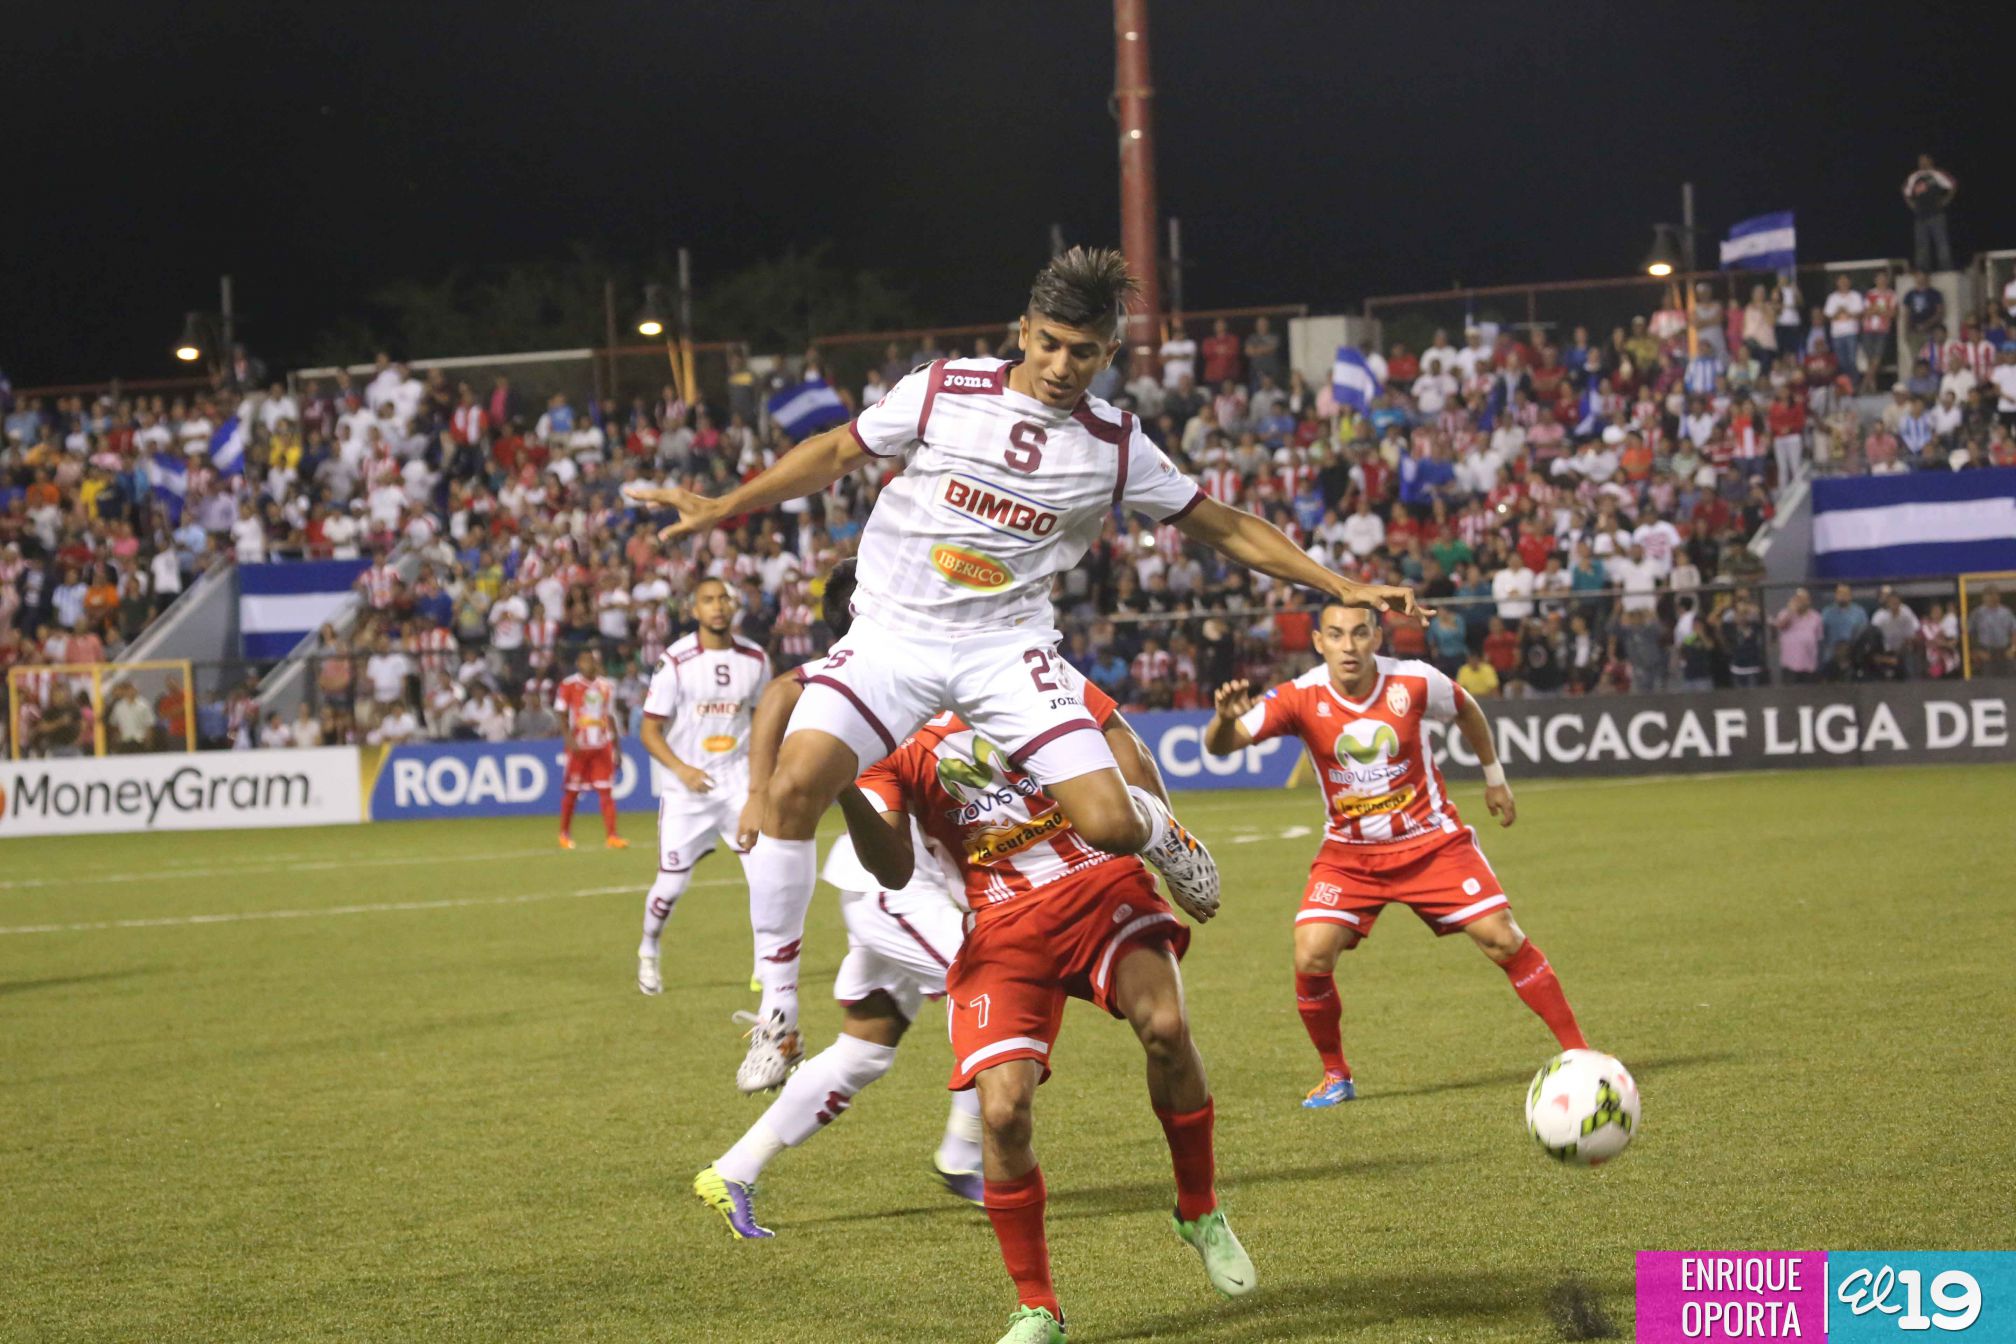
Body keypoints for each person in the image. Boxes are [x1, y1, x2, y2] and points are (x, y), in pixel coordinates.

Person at [625, 248, 1416, 1091]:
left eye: (1084, 351)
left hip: (1006, 648)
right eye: (1049, 344)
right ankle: (779, 1016)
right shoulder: (943, 391)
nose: (1061, 366)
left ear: (1110, 354)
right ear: (1023, 333)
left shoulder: (1115, 445)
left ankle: (1164, 834)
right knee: (791, 789)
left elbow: (1219, 525)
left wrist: (1336, 582)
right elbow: (833, 452)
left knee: (1110, 824)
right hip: (894, 636)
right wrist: (722, 505)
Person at [828, 679, 1248, 1344]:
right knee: (1001, 1112)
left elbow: (1120, 737)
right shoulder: (887, 736)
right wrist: (845, 785)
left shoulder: (1017, 661)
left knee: (1166, 1028)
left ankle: (1198, 1210)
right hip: (999, 923)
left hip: (1095, 876)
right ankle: (1038, 1307)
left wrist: (1170, 841)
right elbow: (894, 869)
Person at [1202, 602, 1588, 1109]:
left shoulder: (1415, 681)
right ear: (1319, 643)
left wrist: (1495, 779)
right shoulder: (1300, 696)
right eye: (1337, 635)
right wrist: (1222, 721)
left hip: (1430, 843)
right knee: (1310, 953)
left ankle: (1581, 1056)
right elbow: (1221, 746)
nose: (1349, 646)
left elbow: (1468, 708)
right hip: (1351, 854)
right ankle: (1336, 1074)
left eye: (1360, 634)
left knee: (1502, 939)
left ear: (1377, 638)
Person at [633, 577, 770, 998]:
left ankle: (766, 966)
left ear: (734, 606)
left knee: (766, 877)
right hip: (686, 789)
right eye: (708, 600)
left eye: (724, 599)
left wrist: (760, 785)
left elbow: (765, 722)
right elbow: (650, 730)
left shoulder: (756, 658)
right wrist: (682, 769)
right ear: (694, 610)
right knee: (671, 886)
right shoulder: (675, 661)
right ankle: (648, 949)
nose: (717, 607)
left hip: (737, 785)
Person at [554, 648, 627, 850]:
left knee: (606, 791)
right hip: (579, 746)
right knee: (571, 792)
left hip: (602, 746)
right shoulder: (569, 685)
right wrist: (568, 739)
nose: (590, 664)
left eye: (593, 661)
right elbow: (560, 712)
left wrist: (617, 748)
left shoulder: (607, 686)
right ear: (578, 663)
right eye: (585, 661)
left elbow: (610, 716)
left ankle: (612, 836)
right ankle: (564, 834)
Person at [1901, 154, 1957, 272]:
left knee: (1941, 243)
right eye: (1920, 161)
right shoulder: (1914, 177)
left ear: (1930, 161)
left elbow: (1952, 185)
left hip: (1936, 214)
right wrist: (1911, 204)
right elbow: (1905, 190)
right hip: (1921, 216)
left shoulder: (1937, 174)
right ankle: (1922, 270)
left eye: (1925, 161)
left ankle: (1945, 268)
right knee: (1921, 245)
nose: (1922, 163)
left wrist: (1946, 200)